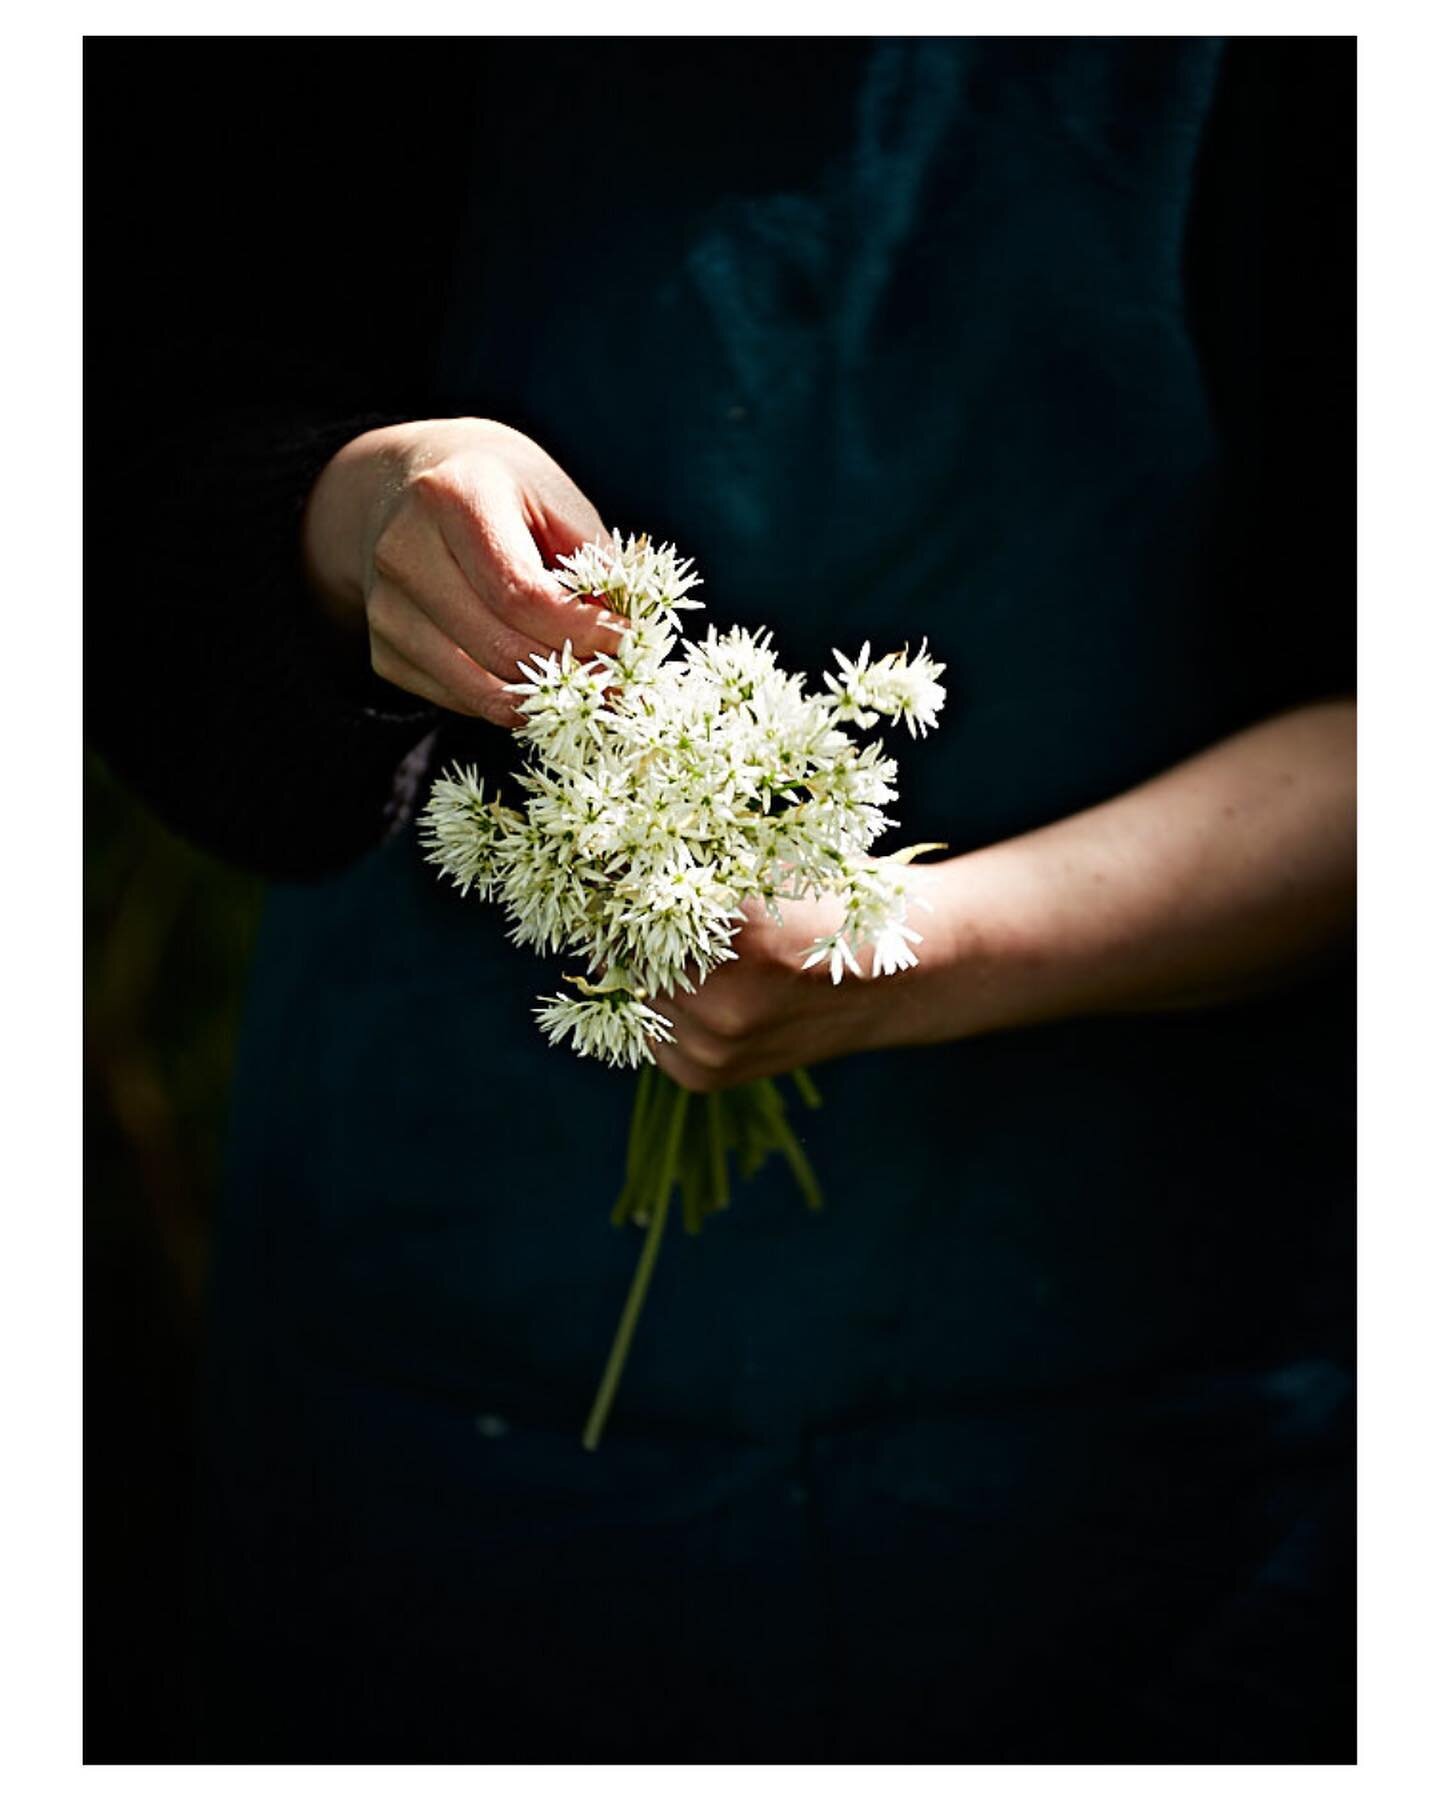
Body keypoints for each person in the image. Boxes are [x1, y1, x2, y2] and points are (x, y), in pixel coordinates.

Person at [87, 37, 1355, 1761]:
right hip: (440, 1302)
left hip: (1126, 1384)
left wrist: (911, 945)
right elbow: (121, 449)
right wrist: (346, 509)